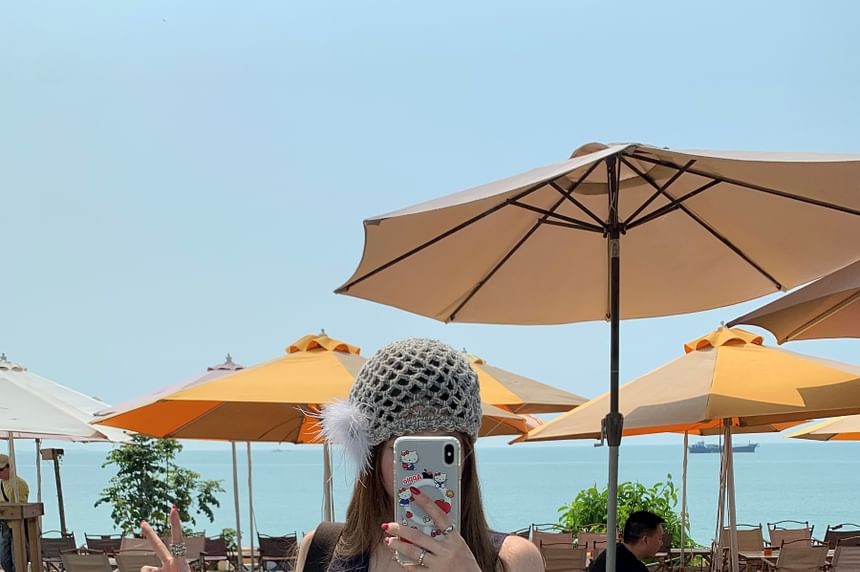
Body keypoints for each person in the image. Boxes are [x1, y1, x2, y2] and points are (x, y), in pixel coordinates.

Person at [138, 339, 543, 572]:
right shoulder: (322, 551)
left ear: (465, 456)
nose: (425, 474)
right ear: (372, 454)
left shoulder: (511, 560)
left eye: (444, 449)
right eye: (406, 450)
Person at [587, 510, 665, 572]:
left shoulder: (611, 554)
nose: (661, 543)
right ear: (645, 540)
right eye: (659, 539)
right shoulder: (634, 568)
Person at [0, 454, 30, 572]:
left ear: (9, 467)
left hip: (17, 526)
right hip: (5, 526)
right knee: (4, 560)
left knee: (17, 559)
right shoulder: (2, 484)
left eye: (1, 469)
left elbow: (20, 506)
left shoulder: (19, 484)